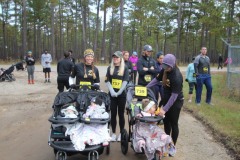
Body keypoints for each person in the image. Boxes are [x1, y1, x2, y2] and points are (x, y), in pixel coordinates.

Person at [148, 54, 183, 146]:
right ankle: (167, 141)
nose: (165, 68)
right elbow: (156, 79)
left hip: (176, 101)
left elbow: (174, 96)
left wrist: (164, 109)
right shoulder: (165, 69)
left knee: (173, 122)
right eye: (164, 65)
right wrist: (146, 87)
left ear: (172, 65)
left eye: (167, 66)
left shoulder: (177, 76)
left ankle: (173, 145)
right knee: (166, 121)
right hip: (167, 98)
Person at [105, 51, 129, 142]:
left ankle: (121, 133)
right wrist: (112, 91)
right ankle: (114, 133)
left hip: (121, 95)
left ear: (121, 59)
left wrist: (119, 92)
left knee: (121, 115)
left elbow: (125, 81)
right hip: (112, 95)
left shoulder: (125, 68)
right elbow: (107, 81)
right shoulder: (109, 68)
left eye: (117, 57)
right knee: (113, 114)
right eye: (114, 57)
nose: (115, 59)